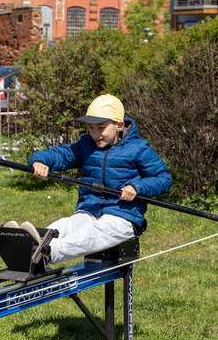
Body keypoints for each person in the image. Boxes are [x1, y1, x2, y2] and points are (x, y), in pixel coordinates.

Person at [24, 94, 172, 264]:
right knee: (66, 225)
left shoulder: (138, 148)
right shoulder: (86, 145)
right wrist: (39, 160)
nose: (95, 134)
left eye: (101, 127)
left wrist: (137, 187)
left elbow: (163, 178)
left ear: (119, 125)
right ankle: (29, 243)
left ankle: (47, 253)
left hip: (123, 217)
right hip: (89, 210)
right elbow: (61, 154)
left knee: (91, 233)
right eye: (91, 128)